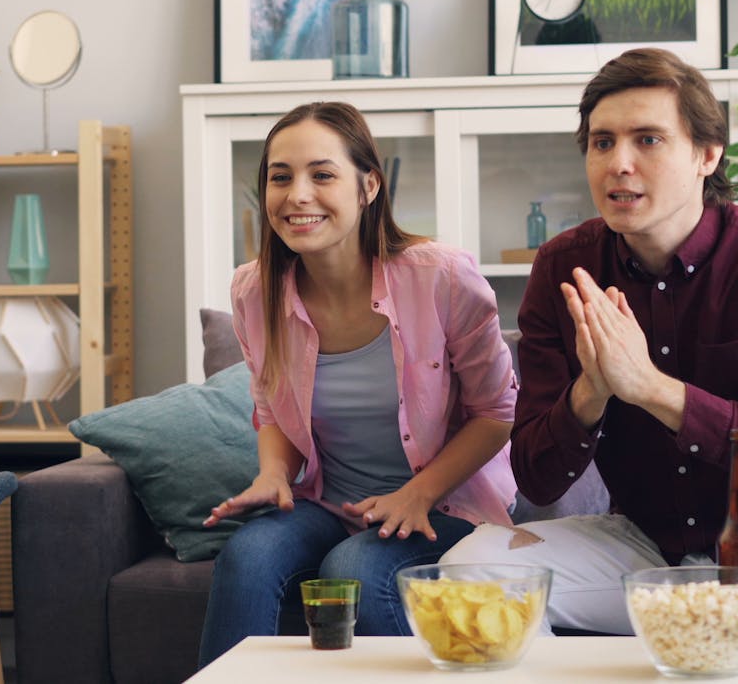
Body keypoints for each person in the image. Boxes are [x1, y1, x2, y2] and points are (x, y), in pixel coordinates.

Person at [440, 47, 738, 637]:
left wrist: (652, 389)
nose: (618, 163)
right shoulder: (564, 268)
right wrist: (590, 394)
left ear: (707, 153)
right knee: (470, 567)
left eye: (648, 139)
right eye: (602, 143)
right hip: (650, 543)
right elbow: (538, 478)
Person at [197, 101, 519, 667]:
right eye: (280, 177)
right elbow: (271, 406)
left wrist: (416, 494)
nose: (297, 194)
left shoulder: (442, 277)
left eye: (322, 175)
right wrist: (273, 473)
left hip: (441, 502)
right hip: (330, 499)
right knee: (246, 555)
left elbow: (497, 411)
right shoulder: (254, 290)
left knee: (356, 569)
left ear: (368, 185)